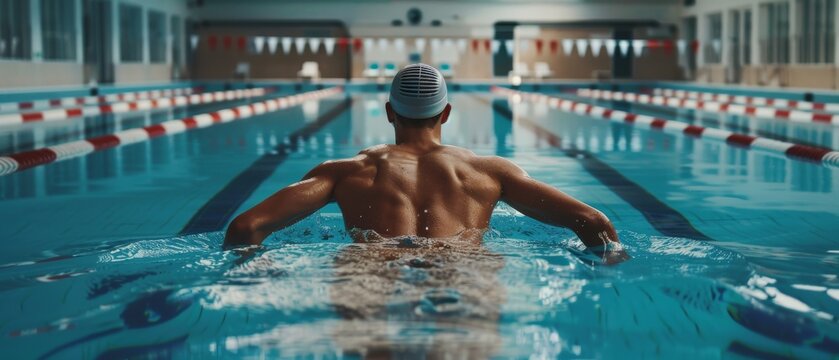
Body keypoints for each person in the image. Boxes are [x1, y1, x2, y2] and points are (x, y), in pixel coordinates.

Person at [224, 63, 626, 262]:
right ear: (446, 113)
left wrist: (259, 275)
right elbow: (593, 223)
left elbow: (246, 226)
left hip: (371, 270)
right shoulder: (490, 173)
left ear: (388, 112)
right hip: (464, 270)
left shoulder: (344, 173)